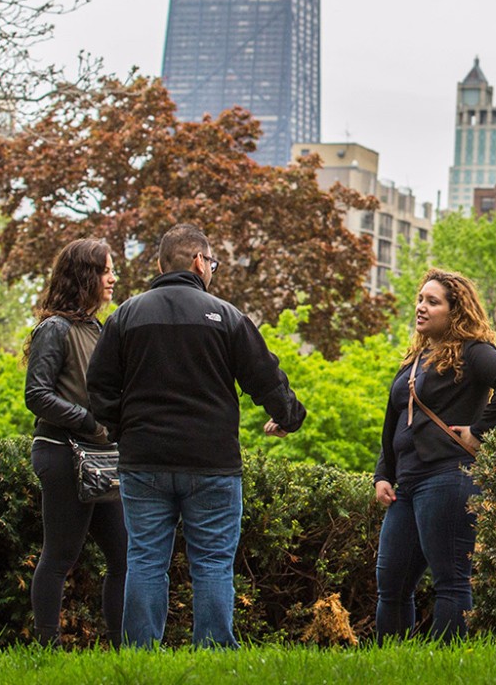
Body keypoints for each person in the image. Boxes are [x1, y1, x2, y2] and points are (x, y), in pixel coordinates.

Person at [86, 223, 306, 649]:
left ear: (159, 264)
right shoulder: (226, 316)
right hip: (212, 463)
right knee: (213, 564)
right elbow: (266, 377)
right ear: (198, 261)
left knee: (145, 561)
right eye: (212, 263)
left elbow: (99, 388)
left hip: (144, 460)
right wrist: (289, 417)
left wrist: (122, 430)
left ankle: (140, 652)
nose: (212, 270)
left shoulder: (126, 317)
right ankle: (214, 652)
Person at [372, 268, 496, 640]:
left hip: (448, 477)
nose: (420, 308)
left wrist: (479, 432)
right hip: (406, 485)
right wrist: (382, 474)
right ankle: (389, 666)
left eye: (432, 301)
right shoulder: (413, 361)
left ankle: (448, 666)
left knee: (451, 581)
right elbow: (392, 424)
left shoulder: (473, 352)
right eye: (420, 299)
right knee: (391, 583)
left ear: (454, 311)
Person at [23, 237, 127, 646]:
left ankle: (124, 649)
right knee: (60, 555)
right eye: (105, 270)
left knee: (124, 556)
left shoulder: (97, 328)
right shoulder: (55, 328)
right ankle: (47, 648)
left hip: (101, 459)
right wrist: (88, 422)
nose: (112, 278)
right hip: (62, 454)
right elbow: (37, 395)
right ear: (84, 275)